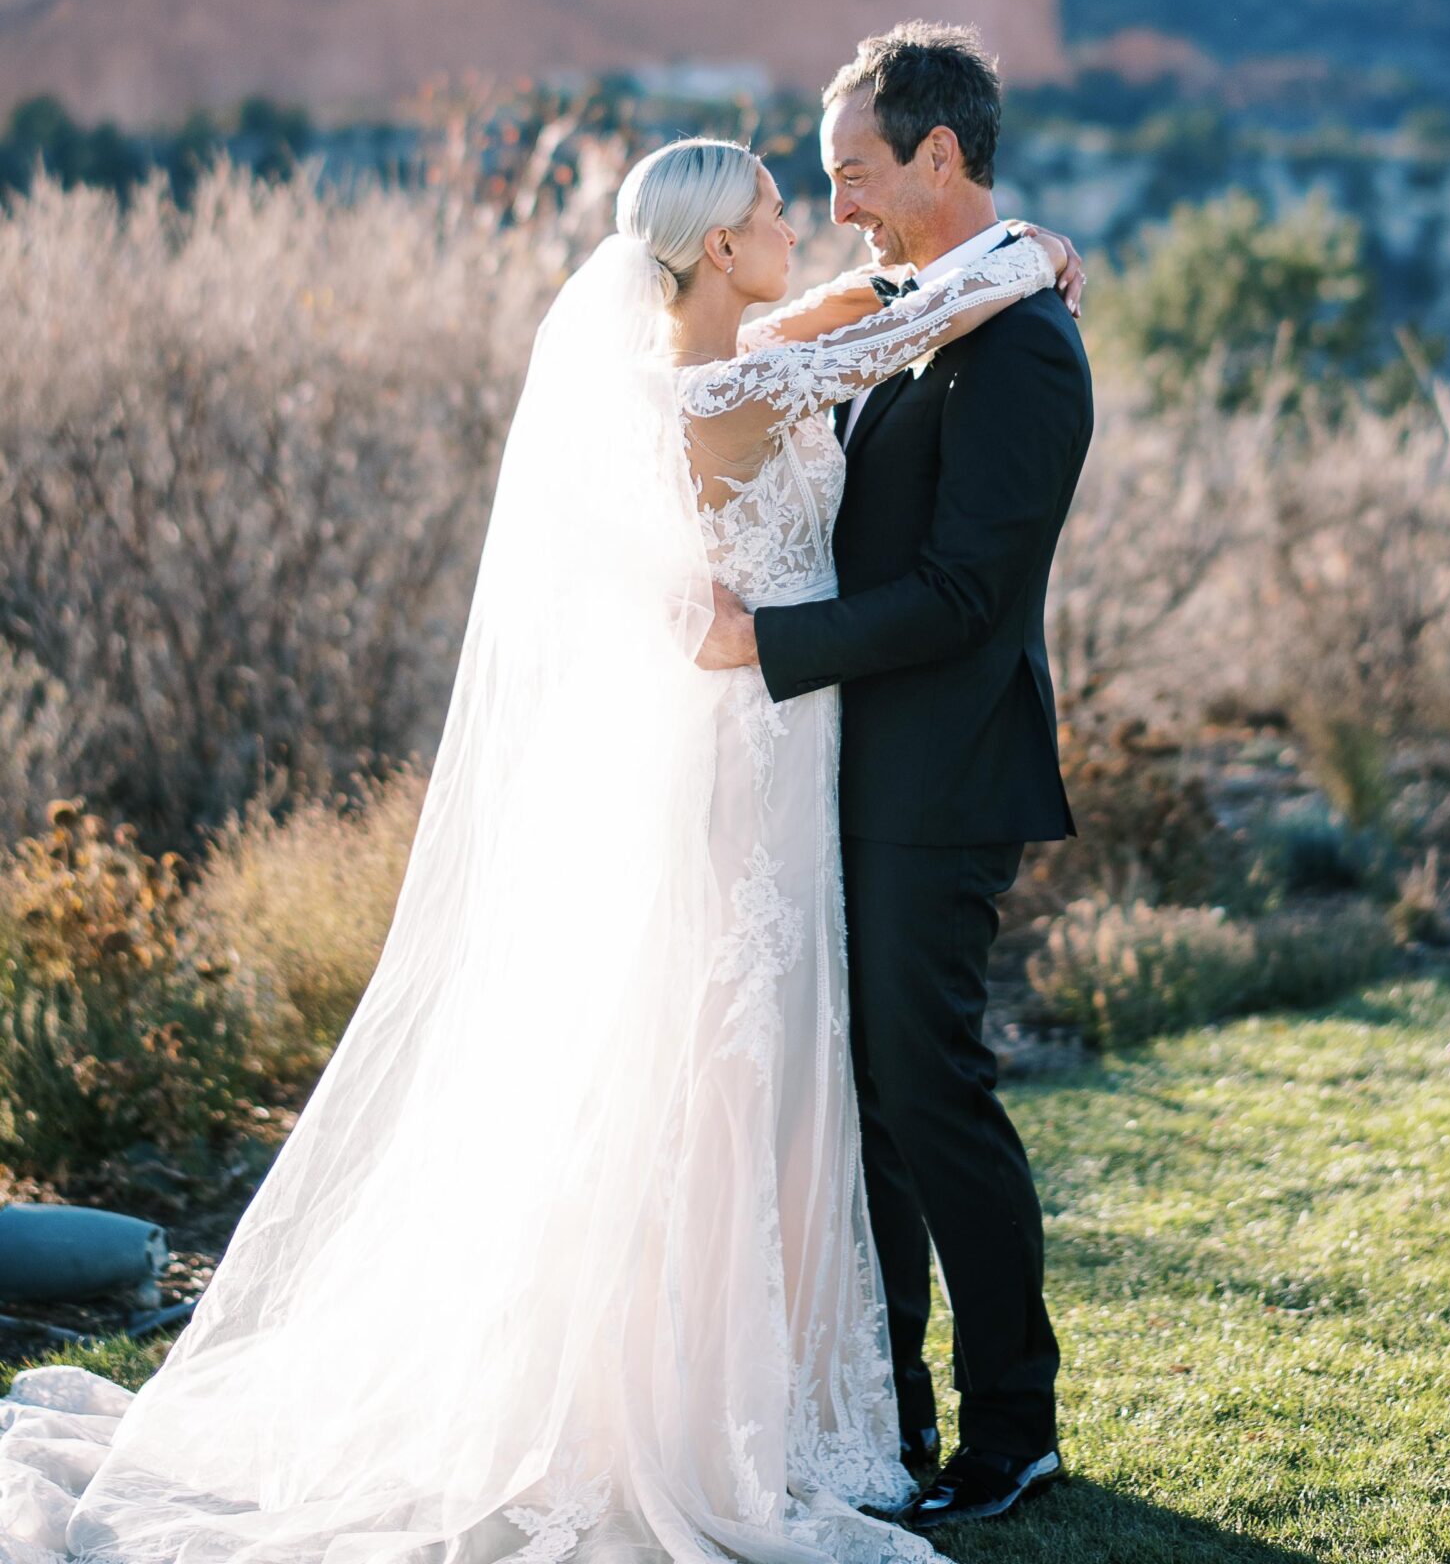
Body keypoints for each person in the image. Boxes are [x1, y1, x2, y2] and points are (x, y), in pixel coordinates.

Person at [0, 123, 1077, 1564]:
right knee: (729, 1073)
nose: (800, 224)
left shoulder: (724, 345)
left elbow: (858, 311)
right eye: (773, 205)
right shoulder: (731, 384)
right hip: (745, 760)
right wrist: (1019, 255)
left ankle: (809, 1403)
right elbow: (890, 326)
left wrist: (989, 263)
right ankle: (708, 1411)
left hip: (787, 752)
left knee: (776, 1081)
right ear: (714, 247)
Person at [696, 24, 1094, 1527]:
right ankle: (893, 1422)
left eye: (855, 171)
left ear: (938, 154)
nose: (844, 201)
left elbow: (962, 596)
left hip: (937, 786)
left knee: (931, 1100)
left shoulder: (1023, 347)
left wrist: (766, 645)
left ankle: (1012, 1427)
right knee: (863, 1111)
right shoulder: (932, 301)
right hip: (846, 775)